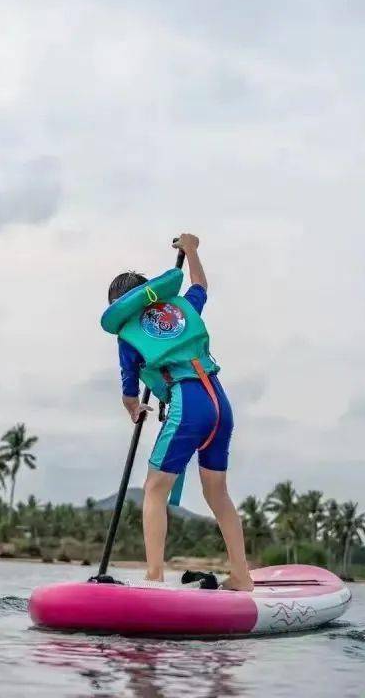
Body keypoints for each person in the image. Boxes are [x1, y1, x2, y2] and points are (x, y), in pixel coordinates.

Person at [101, 234, 253, 591]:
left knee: (154, 488)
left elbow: (128, 393)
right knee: (218, 494)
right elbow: (200, 285)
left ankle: (154, 578)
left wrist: (136, 408)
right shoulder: (183, 308)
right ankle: (242, 577)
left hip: (188, 404)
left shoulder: (127, 335)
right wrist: (192, 251)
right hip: (219, 401)